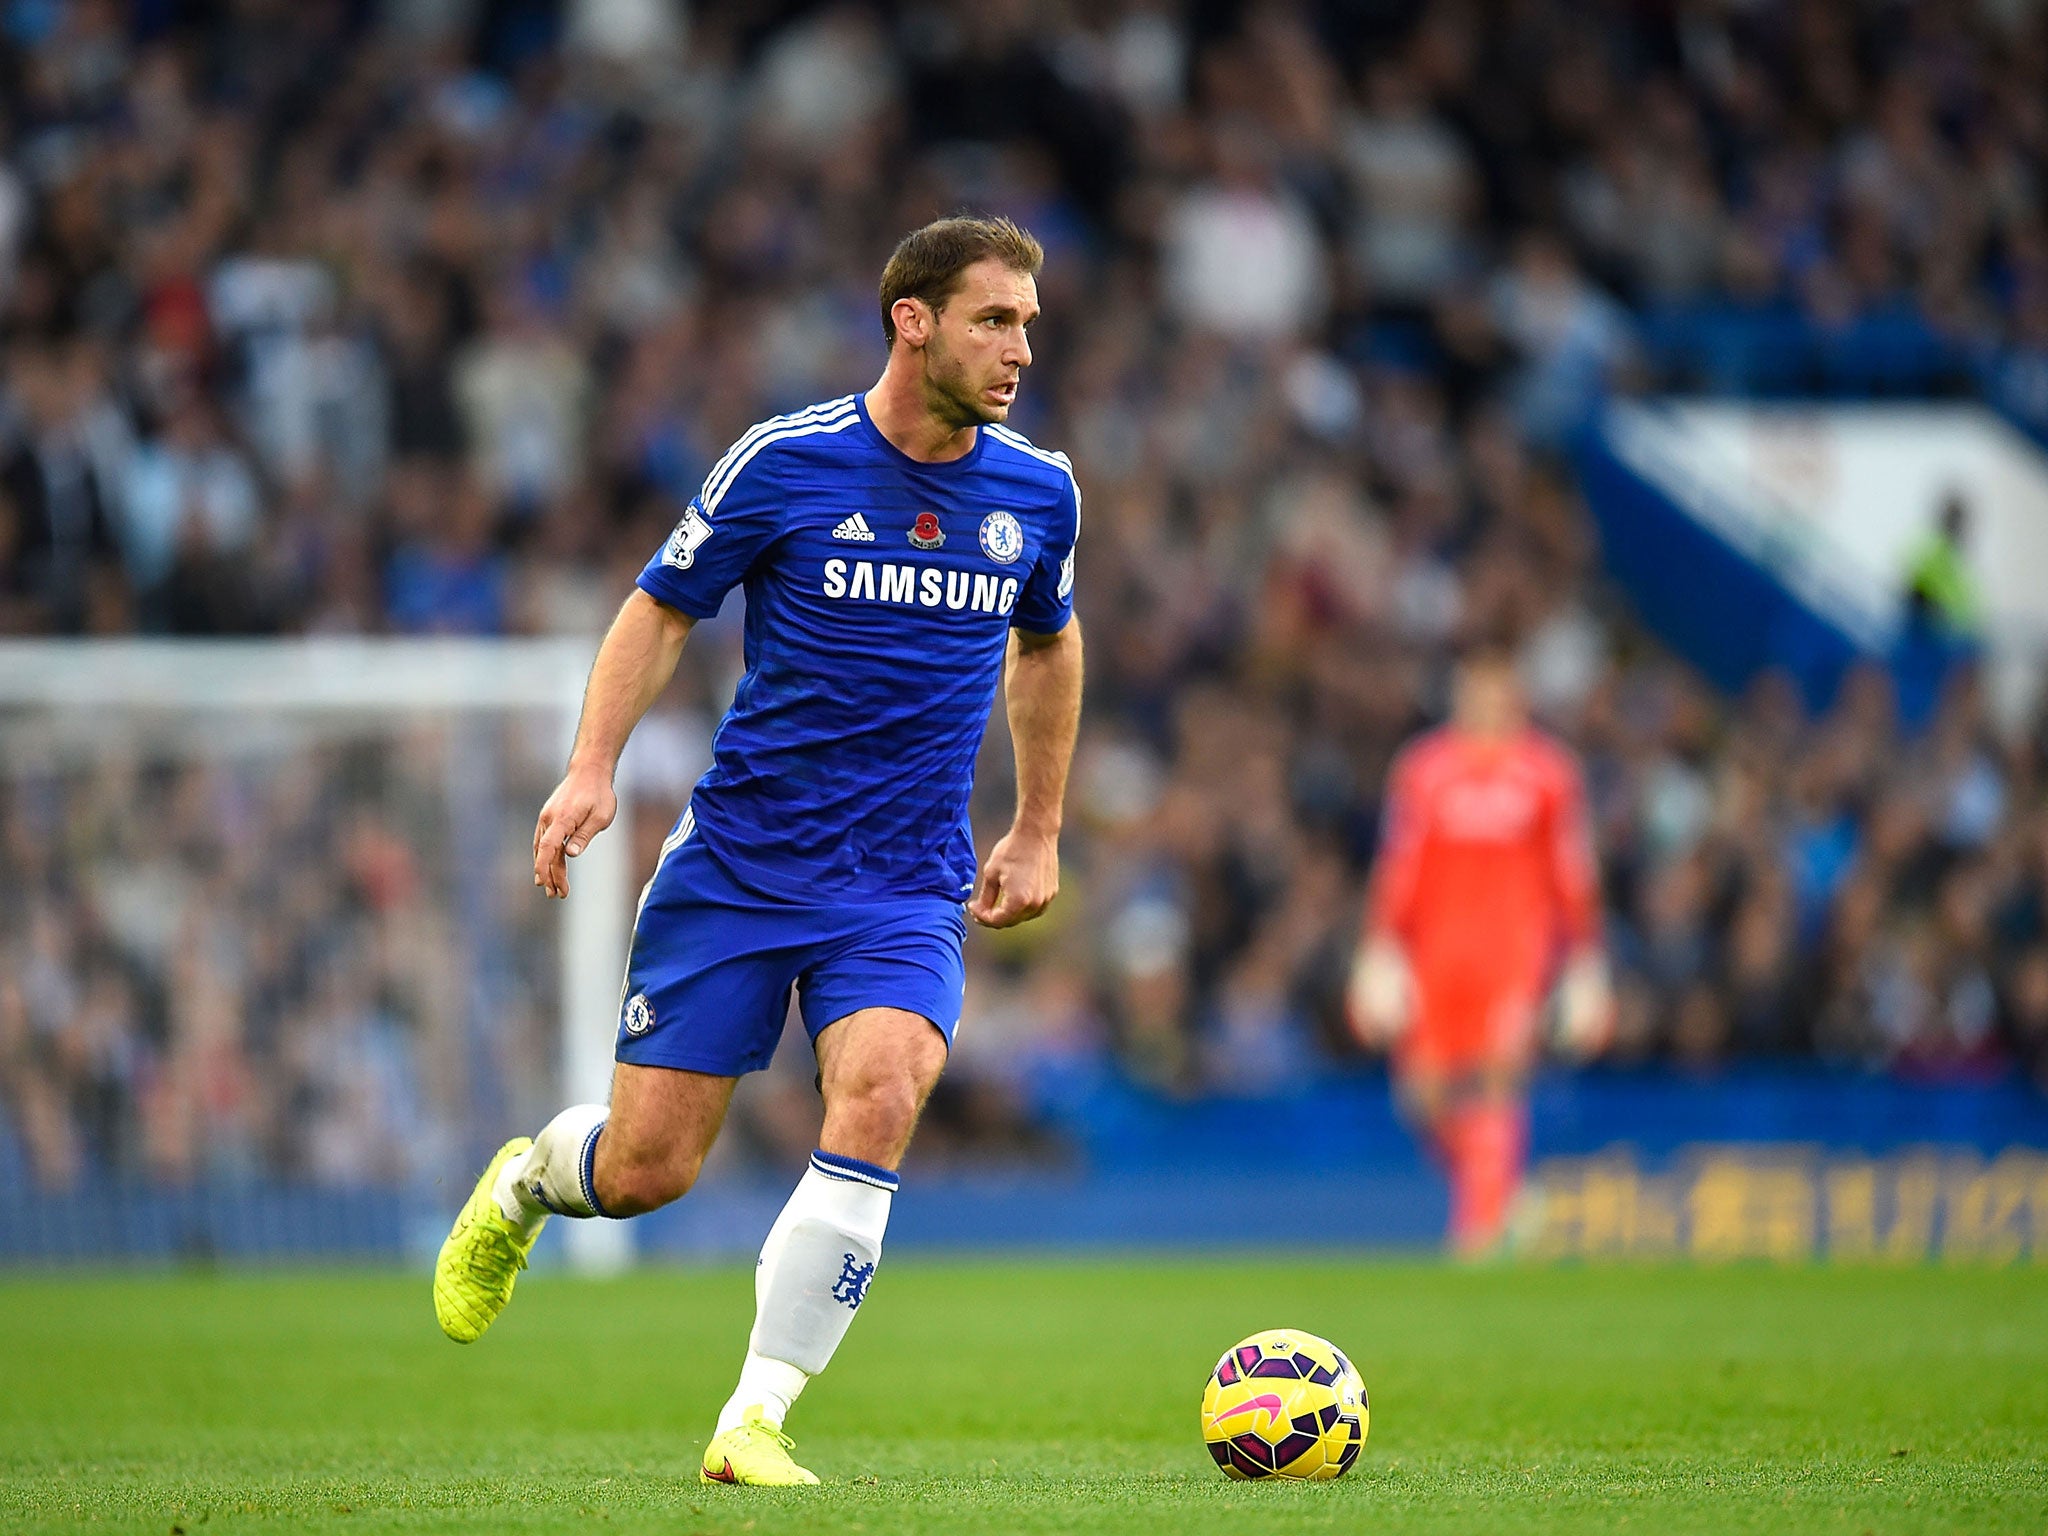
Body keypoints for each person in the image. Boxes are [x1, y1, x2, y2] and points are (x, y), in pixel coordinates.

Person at [430, 216, 1083, 1485]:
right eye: (993, 321)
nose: (1016, 351)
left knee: (884, 1090)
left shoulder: (1036, 490)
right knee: (646, 1171)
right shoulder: (785, 461)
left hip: (901, 883)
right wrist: (588, 767)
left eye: (1026, 327)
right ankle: (523, 1185)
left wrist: (1037, 824)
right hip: (739, 868)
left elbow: (1048, 642)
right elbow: (660, 606)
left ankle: (754, 1419)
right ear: (912, 319)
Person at [1348, 644, 1608, 1255]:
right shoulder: (1424, 770)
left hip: (1514, 953)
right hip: (1437, 954)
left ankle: (1479, 1234)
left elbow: (1570, 871)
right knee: (1421, 1097)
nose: (1488, 703)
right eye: (1476, 690)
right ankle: (1503, 1198)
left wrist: (1585, 958)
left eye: (1499, 690)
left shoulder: (1548, 774)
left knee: (1495, 1085)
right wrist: (1381, 947)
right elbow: (1399, 865)